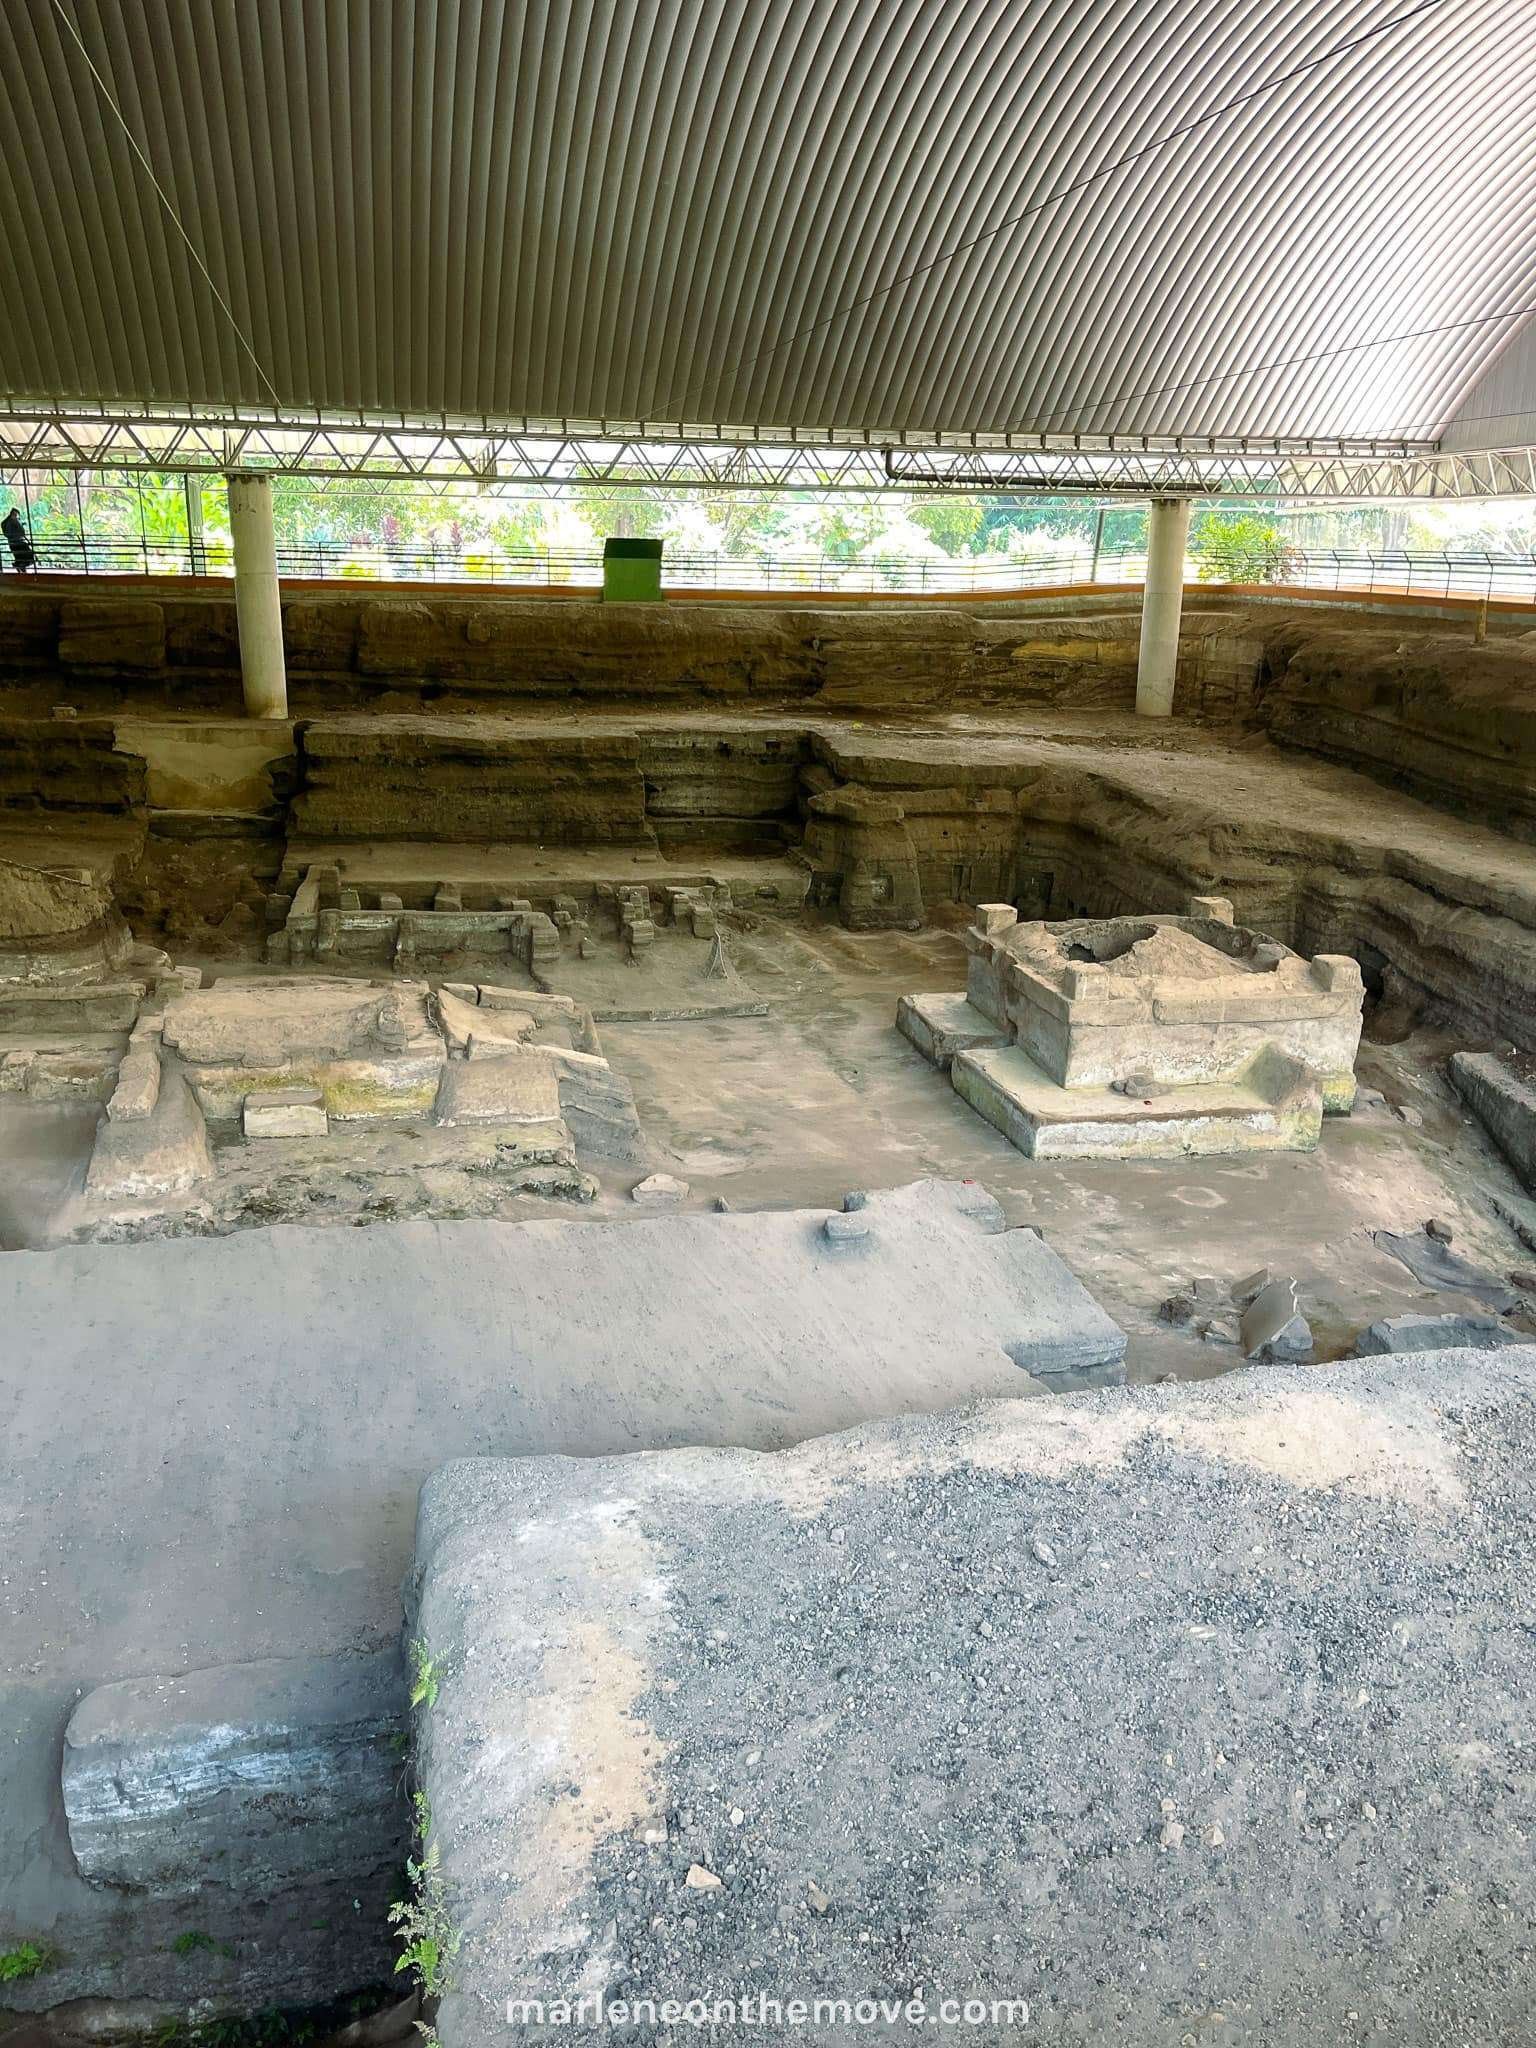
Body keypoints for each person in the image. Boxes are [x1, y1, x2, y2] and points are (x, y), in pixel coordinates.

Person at [2, 507, 37, 572]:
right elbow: (9, 533)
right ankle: (21, 568)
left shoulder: (13, 521)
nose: (16, 516)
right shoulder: (10, 522)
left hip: (16, 542)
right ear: (12, 514)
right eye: (15, 514)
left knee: (21, 557)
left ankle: (21, 568)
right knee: (24, 556)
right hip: (16, 543)